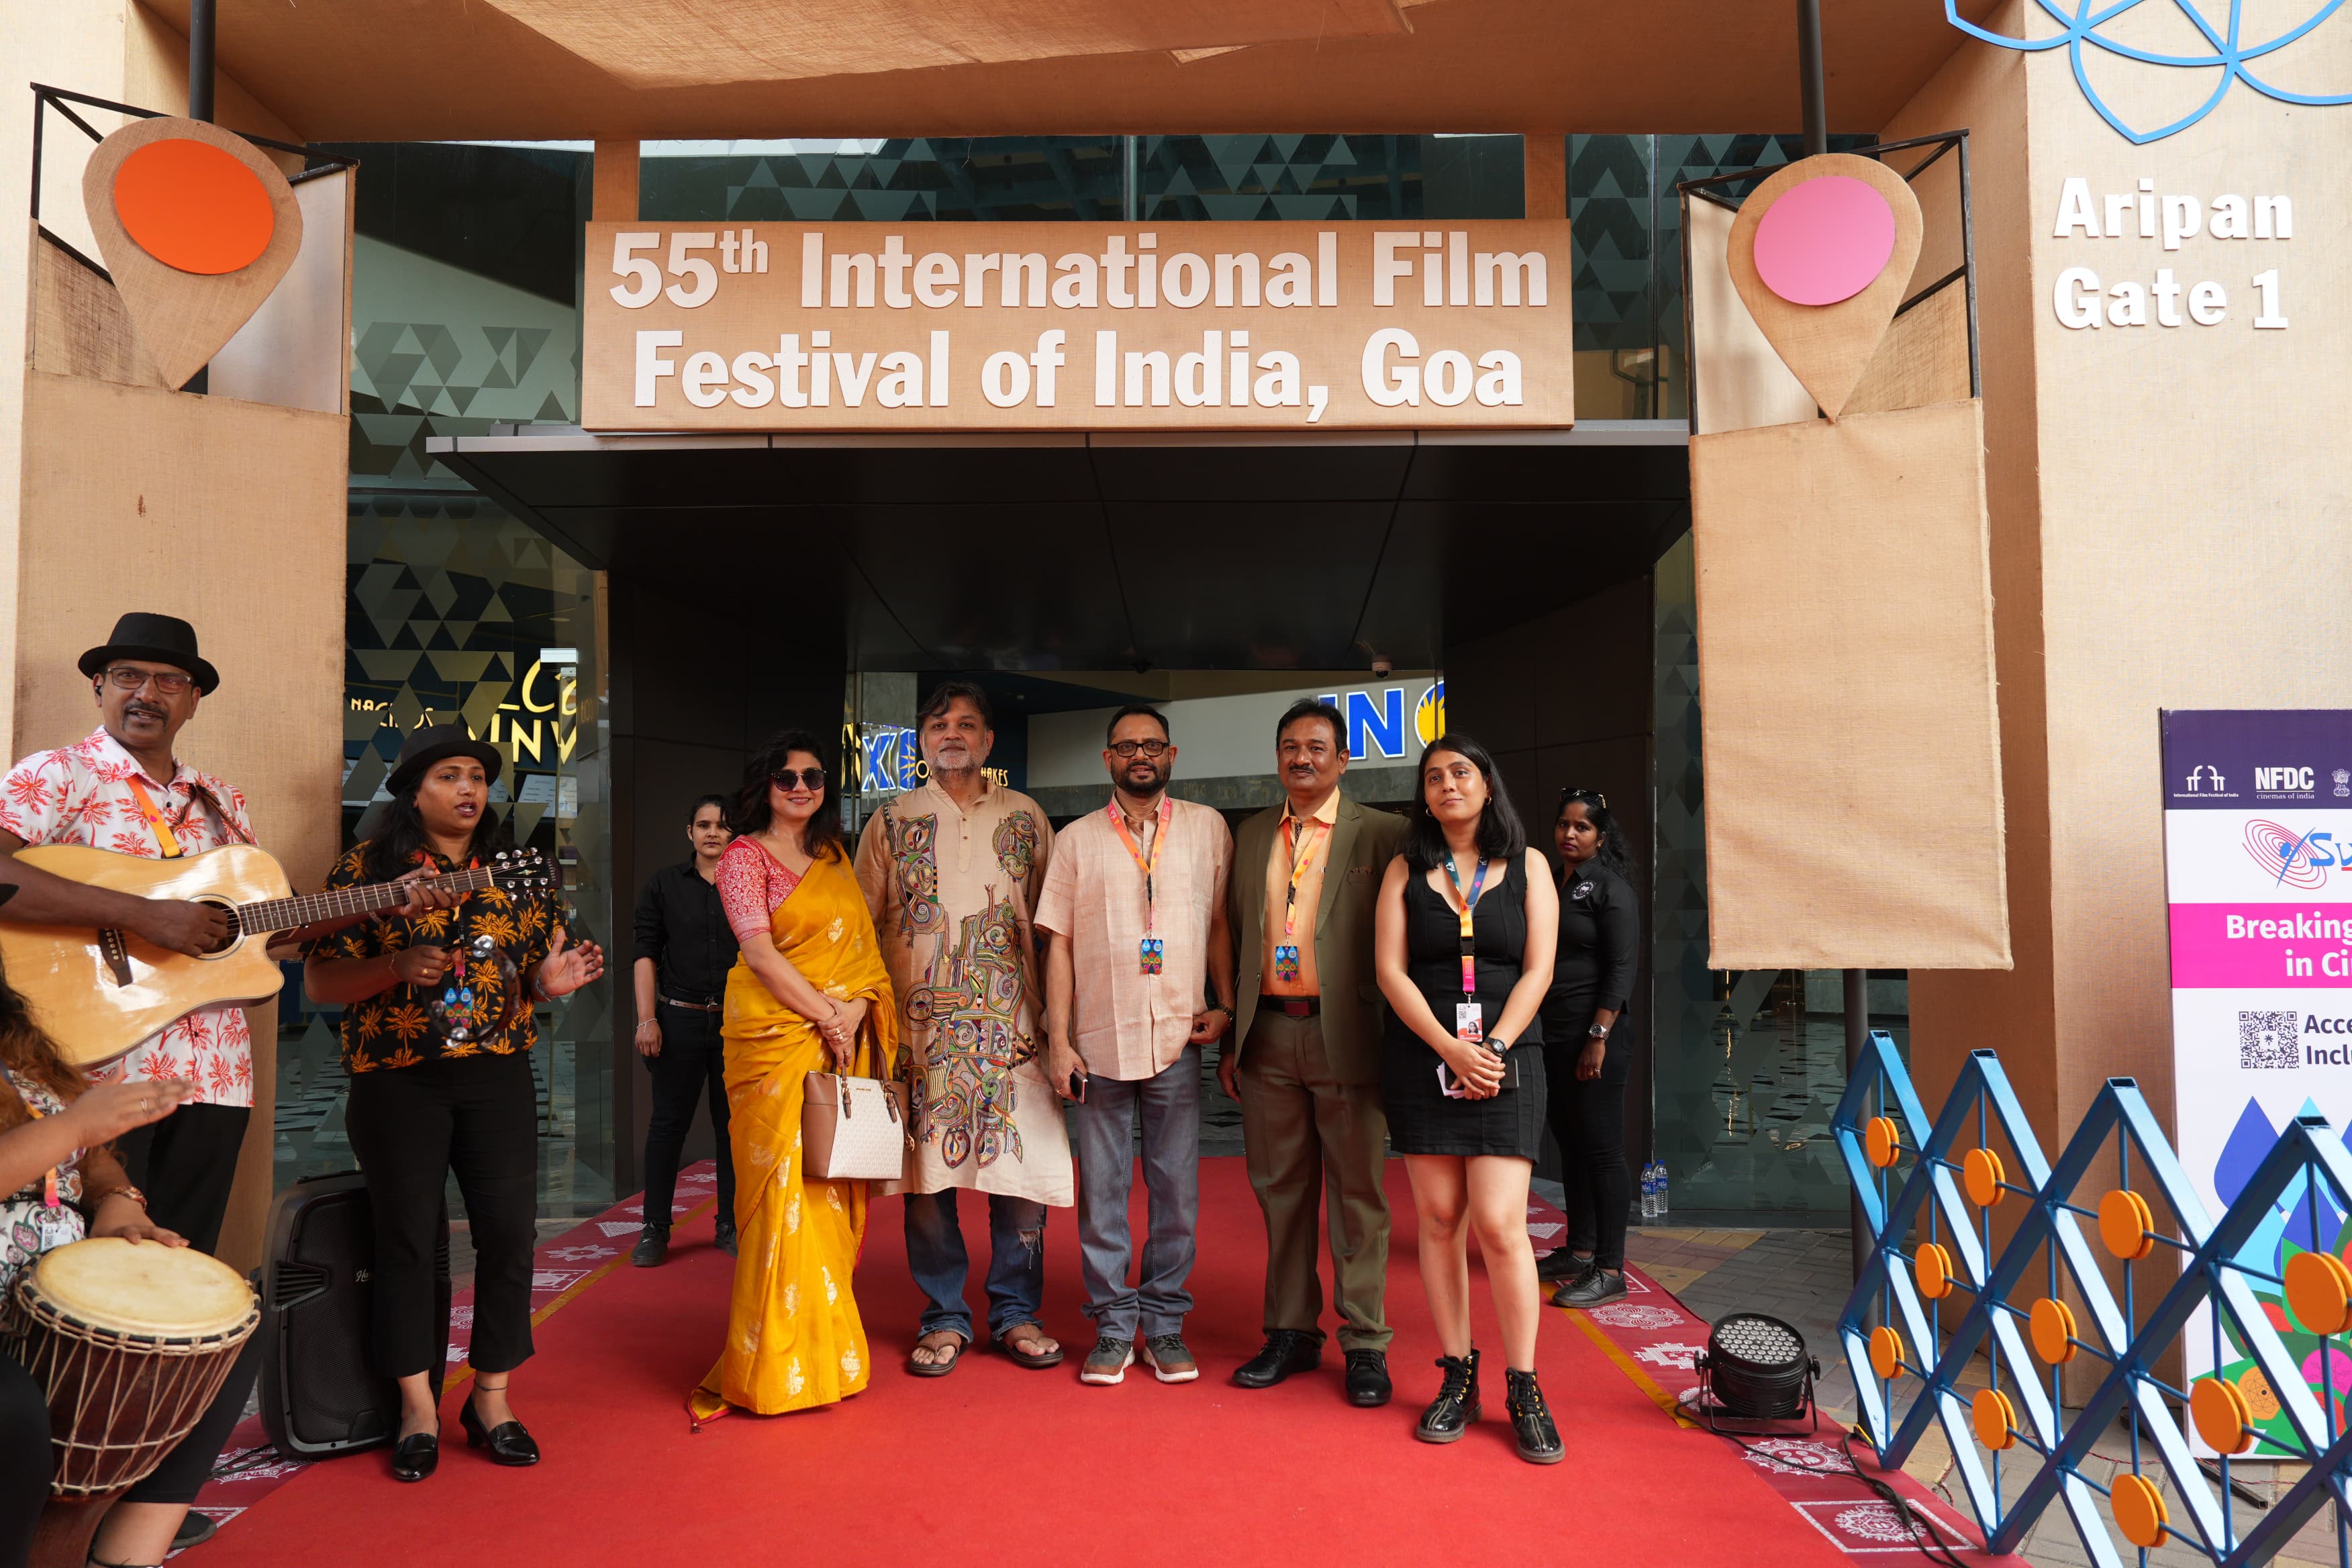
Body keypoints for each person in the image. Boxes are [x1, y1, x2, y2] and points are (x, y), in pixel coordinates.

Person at [0, 612, 272, 1560]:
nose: (144, 693)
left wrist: (382, 907)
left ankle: (131, 1519)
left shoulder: (222, 802)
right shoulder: (56, 775)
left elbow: (244, 939)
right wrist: (138, 915)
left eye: (165, 679)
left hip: (213, 1074)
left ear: (194, 698)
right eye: (126, 674)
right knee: (73, 1295)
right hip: (90, 1074)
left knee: (180, 1297)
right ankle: (47, 1503)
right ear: (100, 686)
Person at [304, 724, 605, 1483]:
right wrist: (396, 965)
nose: (468, 788)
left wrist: (548, 986)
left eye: (476, 775)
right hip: (396, 1077)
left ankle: (491, 1399)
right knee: (407, 1239)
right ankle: (416, 1406)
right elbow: (319, 982)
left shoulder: (516, 869)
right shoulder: (366, 870)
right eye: (449, 775)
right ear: (414, 793)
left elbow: (532, 972)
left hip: (497, 1075)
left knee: (508, 1235)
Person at [853, 683, 1069, 1377]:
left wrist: (1062, 1025)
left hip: (1016, 1025)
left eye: (967, 724)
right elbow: (858, 925)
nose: (953, 733)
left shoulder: (1027, 817)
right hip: (921, 1032)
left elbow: (1054, 929)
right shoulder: (892, 820)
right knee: (928, 1178)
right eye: (940, 724)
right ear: (922, 740)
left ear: (988, 740)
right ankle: (944, 1314)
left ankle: (1016, 1311)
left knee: (1021, 1172)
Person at [689, 731, 901, 1423]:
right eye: (787, 777)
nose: (802, 787)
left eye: (813, 776)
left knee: (825, 1190)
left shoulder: (833, 857)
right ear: (765, 785)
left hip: (834, 1038)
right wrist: (827, 1016)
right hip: (773, 1045)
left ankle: (827, 1356)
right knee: (782, 1192)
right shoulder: (743, 856)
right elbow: (758, 952)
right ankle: (774, 1368)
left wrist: (855, 1009)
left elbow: (866, 957)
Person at [1373, 733, 1562, 1464]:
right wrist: (1449, 1047)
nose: (1448, 784)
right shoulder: (1405, 868)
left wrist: (1496, 1047)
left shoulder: (1530, 865)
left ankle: (1525, 1386)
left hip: (1509, 1057)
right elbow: (1390, 971)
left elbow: (1539, 968)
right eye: (1434, 777)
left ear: (1487, 785)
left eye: (1461, 772)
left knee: (1501, 1224)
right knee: (1440, 1219)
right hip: (1424, 1055)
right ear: (1423, 796)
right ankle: (1458, 1375)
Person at [1038, 704, 1233, 1387]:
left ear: (1172, 754)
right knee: (1104, 1192)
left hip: (1178, 1034)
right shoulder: (1076, 840)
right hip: (1099, 1040)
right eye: (1126, 746)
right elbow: (1059, 945)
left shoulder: (1208, 828)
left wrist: (1225, 1004)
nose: (1140, 755)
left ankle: (1166, 1322)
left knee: (1177, 1190)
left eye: (1152, 744)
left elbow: (1218, 923)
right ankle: (1115, 1326)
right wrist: (1058, 1040)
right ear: (1108, 759)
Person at [1221, 698, 1408, 1407]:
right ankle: (1291, 1331)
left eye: (1317, 747)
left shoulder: (1384, 833)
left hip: (1350, 1035)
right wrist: (1233, 1034)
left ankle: (1366, 1341)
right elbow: (1234, 932)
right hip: (1268, 1033)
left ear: (1343, 759)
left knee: (1359, 1195)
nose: (1302, 758)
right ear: (1277, 757)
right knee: (1281, 1193)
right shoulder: (1250, 834)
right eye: (1290, 747)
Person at [0, 922, 203, 1568]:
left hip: (60, 1290)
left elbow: (91, 1159)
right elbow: (73, 1131)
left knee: (219, 1339)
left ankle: (123, 1557)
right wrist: (76, 1126)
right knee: (12, 1408)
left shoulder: (18, 1041)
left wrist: (119, 1207)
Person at [1539, 789, 1643, 1309]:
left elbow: (1622, 969)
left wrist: (1597, 1038)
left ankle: (1610, 1269)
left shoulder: (1610, 887)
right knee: (1573, 1145)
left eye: (1582, 827)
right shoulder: (1553, 882)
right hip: (1555, 1034)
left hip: (1596, 1037)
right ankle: (1579, 1251)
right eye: (1564, 824)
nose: (1570, 833)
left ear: (1601, 837)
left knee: (1602, 1151)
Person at [629, 793, 739, 1267]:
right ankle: (655, 1229)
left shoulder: (748, 884)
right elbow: (645, 954)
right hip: (677, 1018)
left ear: (735, 834)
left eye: (723, 825)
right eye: (704, 824)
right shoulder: (663, 885)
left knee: (733, 1128)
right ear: (689, 832)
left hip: (738, 1023)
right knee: (667, 1126)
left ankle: (729, 1224)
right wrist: (647, 1019)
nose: (713, 832)